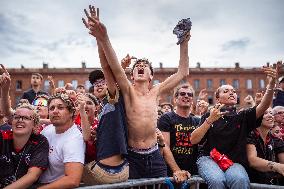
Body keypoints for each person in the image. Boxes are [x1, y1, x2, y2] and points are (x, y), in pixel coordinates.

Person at [84, 5, 190, 179]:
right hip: (132, 157)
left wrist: (184, 42)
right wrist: (104, 38)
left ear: (151, 76)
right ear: (132, 76)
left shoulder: (156, 91)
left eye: (144, 66)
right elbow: (114, 67)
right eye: (137, 67)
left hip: (155, 155)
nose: (140, 67)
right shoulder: (127, 90)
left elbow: (183, 72)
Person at [190, 63, 279, 189]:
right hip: (208, 159)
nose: (232, 93)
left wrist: (271, 85)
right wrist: (209, 120)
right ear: (218, 98)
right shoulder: (209, 115)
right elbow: (194, 139)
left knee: (241, 180)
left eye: (234, 91)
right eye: (226, 91)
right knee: (217, 180)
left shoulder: (242, 116)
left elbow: (263, 106)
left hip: (233, 162)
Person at [81, 6, 129, 184]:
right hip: (103, 168)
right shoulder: (101, 109)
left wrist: (99, 39)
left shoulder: (114, 98)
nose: (98, 84)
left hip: (112, 171)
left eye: (102, 81)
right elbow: (87, 137)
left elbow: (107, 67)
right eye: (94, 83)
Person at [0, 65, 49, 188]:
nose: (20, 120)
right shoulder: (3, 135)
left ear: (35, 125)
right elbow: (8, 111)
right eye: (17, 117)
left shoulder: (40, 141)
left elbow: (32, 176)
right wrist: (5, 90)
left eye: (26, 118)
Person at [38, 93, 85, 189]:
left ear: (71, 112)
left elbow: (72, 180)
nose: (55, 111)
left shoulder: (74, 139)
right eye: (51, 108)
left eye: (60, 108)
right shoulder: (47, 130)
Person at [158, 83, 200, 183]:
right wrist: (177, 170)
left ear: (192, 101)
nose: (186, 96)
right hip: (172, 172)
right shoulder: (166, 118)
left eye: (189, 95)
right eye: (182, 94)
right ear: (175, 99)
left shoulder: (197, 121)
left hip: (193, 172)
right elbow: (165, 146)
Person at [247, 107, 284, 185]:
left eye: (271, 113)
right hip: (252, 183)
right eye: (265, 113)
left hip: (271, 184)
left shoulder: (276, 140)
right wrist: (277, 166)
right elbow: (252, 160)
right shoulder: (249, 135)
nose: (270, 116)